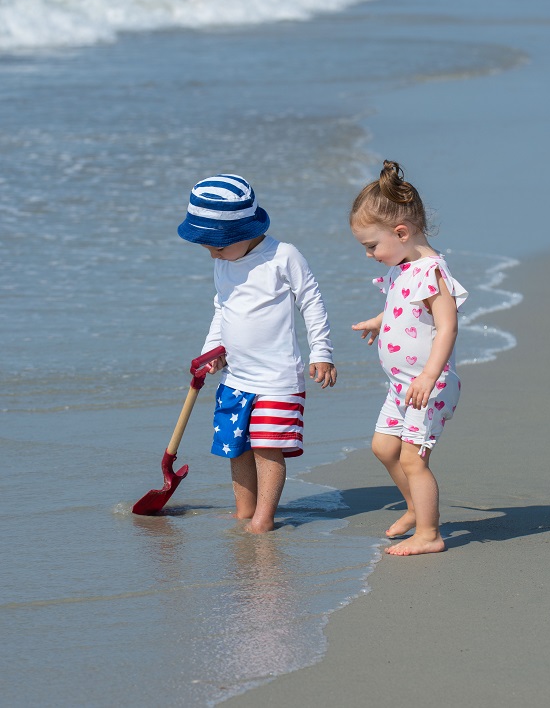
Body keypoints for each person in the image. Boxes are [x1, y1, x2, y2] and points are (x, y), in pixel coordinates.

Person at [178, 173, 337, 533]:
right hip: (237, 377)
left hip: (277, 378)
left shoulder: (283, 257)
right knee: (237, 447)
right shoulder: (224, 263)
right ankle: (244, 510)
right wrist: (211, 351)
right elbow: (223, 309)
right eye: (207, 248)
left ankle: (264, 519)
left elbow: (311, 303)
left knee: (267, 447)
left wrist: (321, 352)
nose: (212, 254)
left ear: (245, 232)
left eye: (217, 246)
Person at [350, 160, 467, 555]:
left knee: (413, 459)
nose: (369, 255)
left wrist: (429, 376)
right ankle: (417, 509)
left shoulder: (432, 271)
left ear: (401, 232)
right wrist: (378, 322)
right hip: (402, 385)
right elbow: (401, 306)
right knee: (384, 448)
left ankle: (430, 534)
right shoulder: (402, 268)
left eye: (371, 246)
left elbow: (447, 326)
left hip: (427, 385)